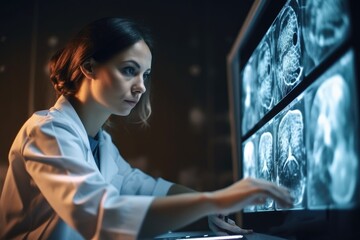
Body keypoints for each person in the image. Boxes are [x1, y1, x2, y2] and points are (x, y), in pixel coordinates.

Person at [0, 17, 293, 239]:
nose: (141, 86)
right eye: (129, 70)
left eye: (146, 74)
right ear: (89, 68)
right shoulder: (47, 131)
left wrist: (210, 210)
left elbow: (147, 189)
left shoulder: (102, 143)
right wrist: (215, 199)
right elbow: (102, 217)